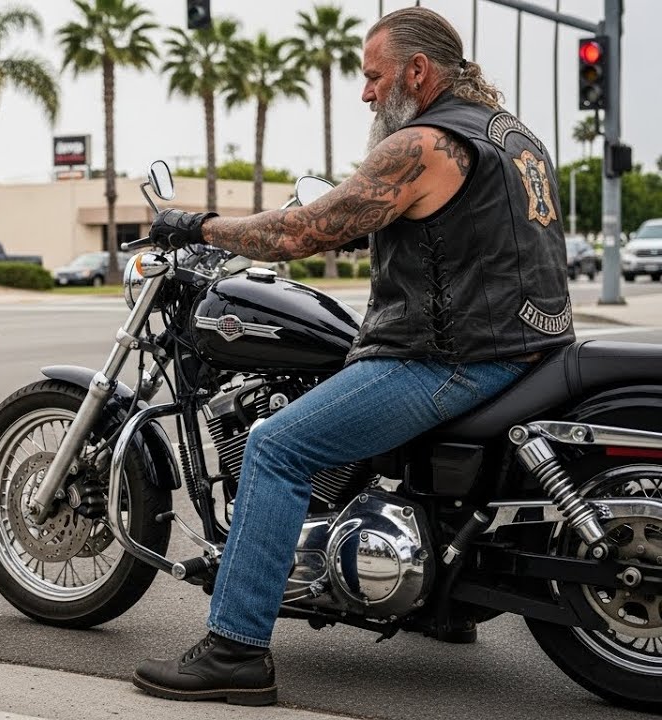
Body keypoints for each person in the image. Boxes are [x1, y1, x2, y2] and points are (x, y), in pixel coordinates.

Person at [132, 7, 574, 707]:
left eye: (373, 77)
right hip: (529, 346)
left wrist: (197, 223)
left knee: (277, 446)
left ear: (417, 72)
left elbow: (306, 229)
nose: (367, 93)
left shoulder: (424, 144)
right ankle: (447, 605)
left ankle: (236, 649)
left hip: (452, 356)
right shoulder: (511, 134)